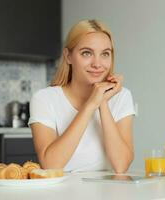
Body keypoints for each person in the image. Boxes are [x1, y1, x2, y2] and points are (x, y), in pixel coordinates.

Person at [28, 19, 136, 173]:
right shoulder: (44, 99)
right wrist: (91, 105)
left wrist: (103, 102)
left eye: (105, 54)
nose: (97, 64)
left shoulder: (122, 96)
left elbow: (121, 166)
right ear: (68, 56)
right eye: (87, 53)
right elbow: (50, 165)